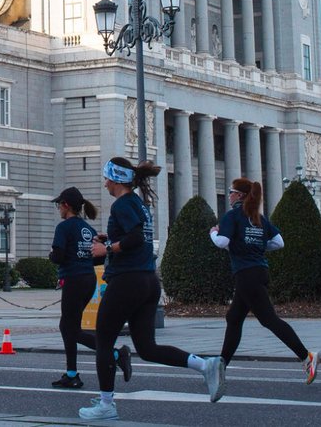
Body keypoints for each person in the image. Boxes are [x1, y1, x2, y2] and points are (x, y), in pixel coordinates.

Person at [78, 158, 226, 421]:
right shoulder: (138, 204)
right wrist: (110, 238)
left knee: (103, 341)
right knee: (146, 348)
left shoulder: (122, 204)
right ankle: (205, 365)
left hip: (127, 281)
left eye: (107, 179)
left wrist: (107, 249)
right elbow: (137, 237)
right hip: (147, 280)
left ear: (116, 179)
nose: (105, 183)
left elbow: (133, 239)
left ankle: (106, 404)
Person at [210, 177, 319, 380]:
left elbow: (222, 241)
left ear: (239, 195)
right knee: (234, 318)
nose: (229, 195)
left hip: (245, 274)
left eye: (231, 191)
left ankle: (306, 356)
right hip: (259, 271)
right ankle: (220, 366)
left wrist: (212, 233)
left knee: (269, 319)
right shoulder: (258, 217)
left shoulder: (233, 216)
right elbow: (279, 242)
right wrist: (257, 247)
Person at [48, 187, 102, 388]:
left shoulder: (64, 227)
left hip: (73, 279)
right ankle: (71, 373)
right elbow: (100, 257)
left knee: (71, 330)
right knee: (67, 327)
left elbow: (59, 256)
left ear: (66, 206)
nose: (58, 209)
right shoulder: (88, 229)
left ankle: (113, 353)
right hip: (89, 279)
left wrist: (51, 255)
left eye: (59, 205)